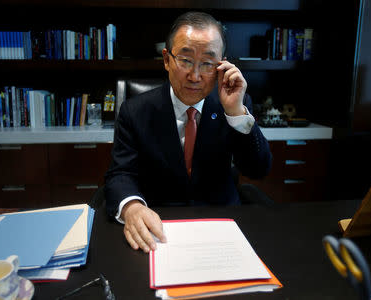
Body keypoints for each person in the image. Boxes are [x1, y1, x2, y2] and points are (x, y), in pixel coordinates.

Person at [104, 11, 272, 253]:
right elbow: (120, 173)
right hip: (159, 231)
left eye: (207, 63)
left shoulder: (233, 104)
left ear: (221, 66)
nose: (195, 76)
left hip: (221, 228)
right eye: (185, 60)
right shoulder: (135, 111)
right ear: (166, 60)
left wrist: (236, 113)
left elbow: (259, 169)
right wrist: (131, 207)